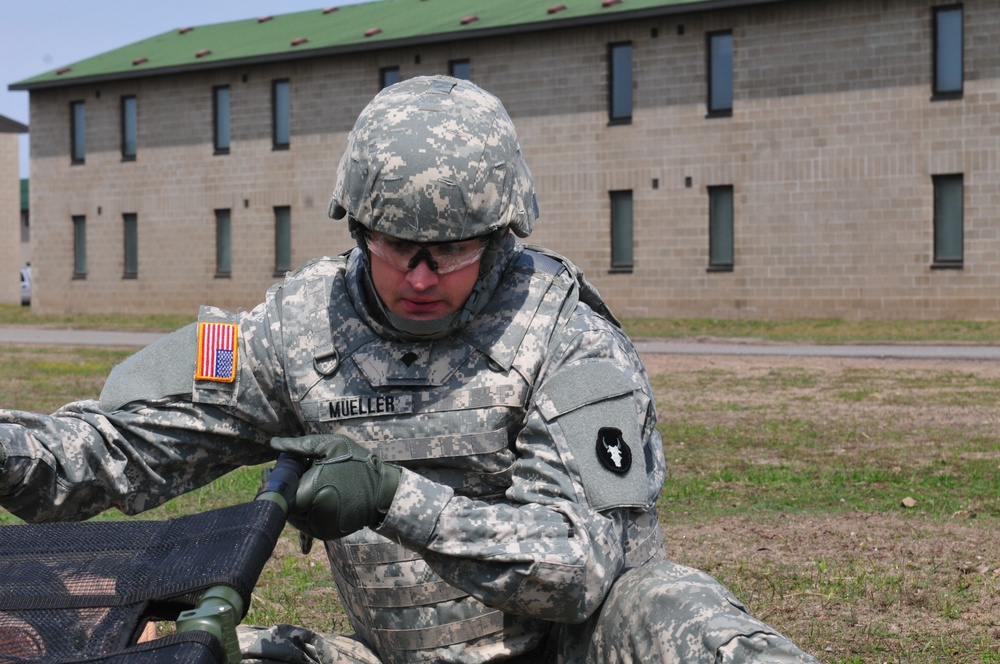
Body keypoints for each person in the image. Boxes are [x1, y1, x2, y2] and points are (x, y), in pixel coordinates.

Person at [0, 76, 818, 664]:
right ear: (356, 224)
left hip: (568, 652)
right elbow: (118, 453)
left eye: (452, 249)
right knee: (175, 649)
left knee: (681, 612)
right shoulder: (297, 326)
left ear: (500, 233)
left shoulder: (564, 333)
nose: (421, 277)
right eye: (396, 245)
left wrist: (396, 498)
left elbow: (579, 570)